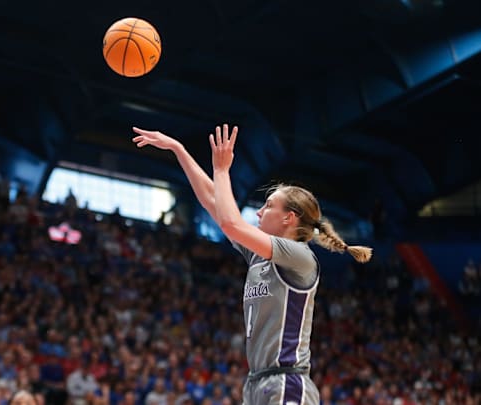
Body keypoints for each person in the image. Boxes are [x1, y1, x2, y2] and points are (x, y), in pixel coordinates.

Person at [132, 124, 372, 404]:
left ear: (289, 218)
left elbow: (230, 222)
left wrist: (222, 171)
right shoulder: (260, 254)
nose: (259, 211)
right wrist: (179, 149)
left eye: (268, 205)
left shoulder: (299, 256)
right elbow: (215, 204)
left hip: (286, 381)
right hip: (258, 382)